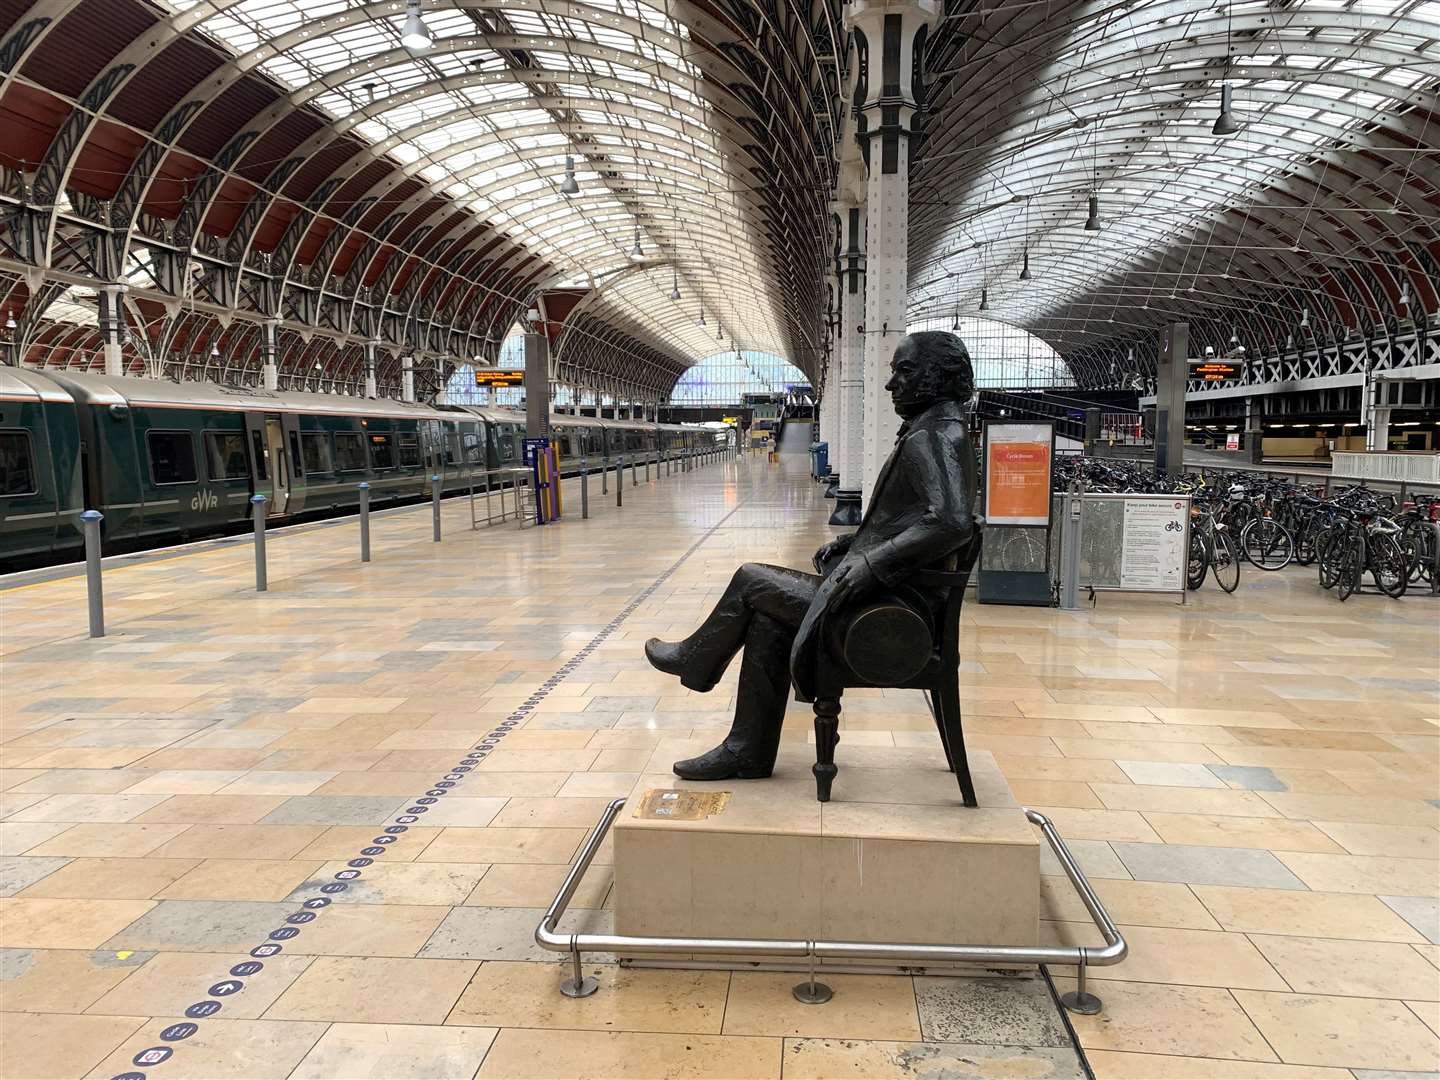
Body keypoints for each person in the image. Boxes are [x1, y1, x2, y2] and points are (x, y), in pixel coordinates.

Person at [645, 331, 980, 780]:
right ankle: (747, 750)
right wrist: (852, 544)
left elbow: (950, 521)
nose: (891, 384)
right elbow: (914, 518)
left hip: (889, 611)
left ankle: (696, 661)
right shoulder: (936, 429)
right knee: (767, 617)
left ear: (940, 377)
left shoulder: (935, 435)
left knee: (751, 578)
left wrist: (870, 562)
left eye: (905, 370)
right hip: (895, 597)